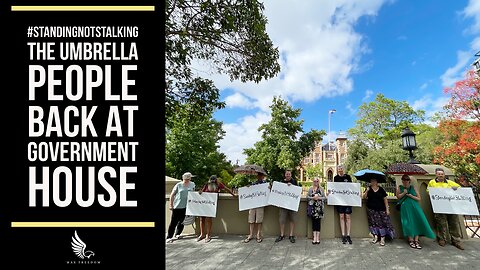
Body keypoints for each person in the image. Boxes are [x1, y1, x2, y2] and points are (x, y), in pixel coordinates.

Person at [427, 168, 464, 250]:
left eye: (442, 174)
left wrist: (454, 189)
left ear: (444, 175)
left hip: (451, 207)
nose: (440, 175)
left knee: (454, 223)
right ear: (436, 174)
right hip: (439, 206)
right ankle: (442, 239)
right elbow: (429, 191)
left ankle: (456, 241)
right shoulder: (432, 182)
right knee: (441, 223)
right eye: (439, 174)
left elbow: (459, 188)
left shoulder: (450, 182)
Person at [395, 174, 435, 249]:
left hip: (415, 207)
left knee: (417, 221)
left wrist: (410, 196)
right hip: (405, 207)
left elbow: (419, 198)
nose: (405, 182)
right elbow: (398, 197)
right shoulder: (400, 188)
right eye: (403, 180)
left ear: (409, 181)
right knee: (408, 222)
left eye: (407, 180)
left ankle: (416, 240)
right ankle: (411, 239)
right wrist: (404, 193)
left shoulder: (413, 188)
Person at [197, 175, 236, 243]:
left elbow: (226, 189)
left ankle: (208, 235)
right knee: (202, 219)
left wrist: (233, 194)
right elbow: (202, 191)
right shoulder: (207, 184)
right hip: (204, 204)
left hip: (211, 205)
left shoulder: (218, 184)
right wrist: (200, 192)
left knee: (209, 219)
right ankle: (202, 234)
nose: (212, 182)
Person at [363, 178, 395, 246]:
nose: (373, 182)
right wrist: (367, 191)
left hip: (381, 209)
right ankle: (376, 236)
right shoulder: (368, 189)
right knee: (373, 223)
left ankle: (382, 238)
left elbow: (385, 199)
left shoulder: (381, 189)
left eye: (374, 181)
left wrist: (387, 209)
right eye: (371, 181)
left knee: (382, 223)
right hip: (371, 209)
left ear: (377, 182)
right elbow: (364, 197)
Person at [166, 172, 196, 243]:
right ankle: (169, 237)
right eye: (189, 177)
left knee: (182, 221)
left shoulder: (192, 184)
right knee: (173, 222)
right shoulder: (178, 185)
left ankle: (178, 234)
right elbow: (172, 195)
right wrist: (171, 205)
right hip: (177, 206)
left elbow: (194, 193)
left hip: (187, 206)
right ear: (186, 178)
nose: (190, 178)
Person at [275, 170, 299, 243]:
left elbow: (297, 192)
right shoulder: (281, 182)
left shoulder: (294, 182)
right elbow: (277, 192)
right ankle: (282, 235)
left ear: (291, 175)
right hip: (283, 205)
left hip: (292, 205)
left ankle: (291, 235)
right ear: (285, 175)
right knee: (282, 220)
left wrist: (292, 186)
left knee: (292, 220)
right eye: (287, 174)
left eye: (289, 174)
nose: (288, 175)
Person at [244, 171, 267, 243]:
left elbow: (268, 192)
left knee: (259, 220)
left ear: (263, 176)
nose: (260, 176)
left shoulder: (265, 184)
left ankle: (258, 235)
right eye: (259, 175)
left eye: (261, 175)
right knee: (251, 220)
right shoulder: (253, 184)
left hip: (260, 204)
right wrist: (248, 187)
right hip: (253, 204)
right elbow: (249, 192)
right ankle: (250, 235)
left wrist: (269, 188)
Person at [333, 165, 353, 244]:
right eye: (339, 169)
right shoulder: (336, 178)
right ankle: (343, 235)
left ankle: (348, 235)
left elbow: (352, 187)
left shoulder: (347, 177)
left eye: (341, 169)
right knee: (341, 217)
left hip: (348, 201)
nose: (340, 170)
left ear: (343, 169)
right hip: (340, 201)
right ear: (337, 170)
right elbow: (334, 188)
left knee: (347, 217)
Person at [307, 177, 326, 244]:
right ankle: (314, 237)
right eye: (314, 181)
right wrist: (313, 198)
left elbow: (324, 197)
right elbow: (307, 197)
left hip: (319, 208)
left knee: (318, 223)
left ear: (319, 182)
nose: (316, 182)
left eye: (317, 181)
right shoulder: (310, 189)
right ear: (313, 182)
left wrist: (319, 198)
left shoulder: (321, 189)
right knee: (313, 222)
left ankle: (318, 237)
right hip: (312, 208)